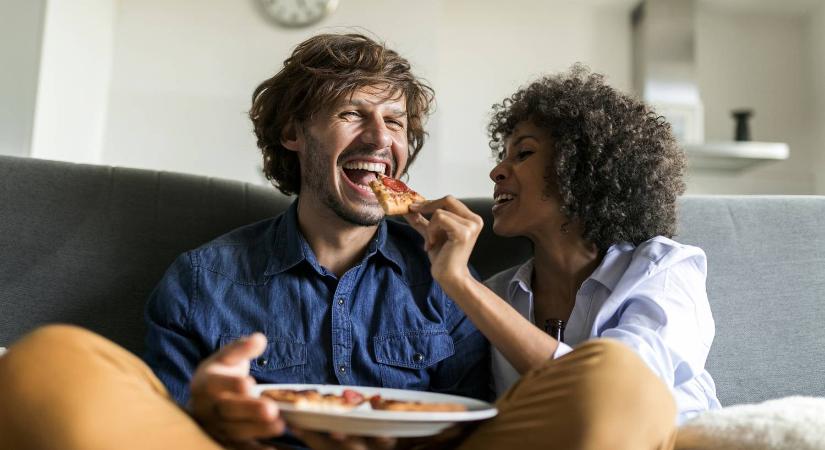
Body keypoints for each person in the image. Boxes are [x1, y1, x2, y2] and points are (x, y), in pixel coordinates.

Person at [0, 56, 683, 450]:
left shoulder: (452, 280)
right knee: (50, 360)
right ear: (295, 134)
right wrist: (208, 410)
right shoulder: (203, 280)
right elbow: (162, 425)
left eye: (395, 124)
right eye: (352, 114)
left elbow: (484, 422)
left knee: (617, 382)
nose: (380, 138)